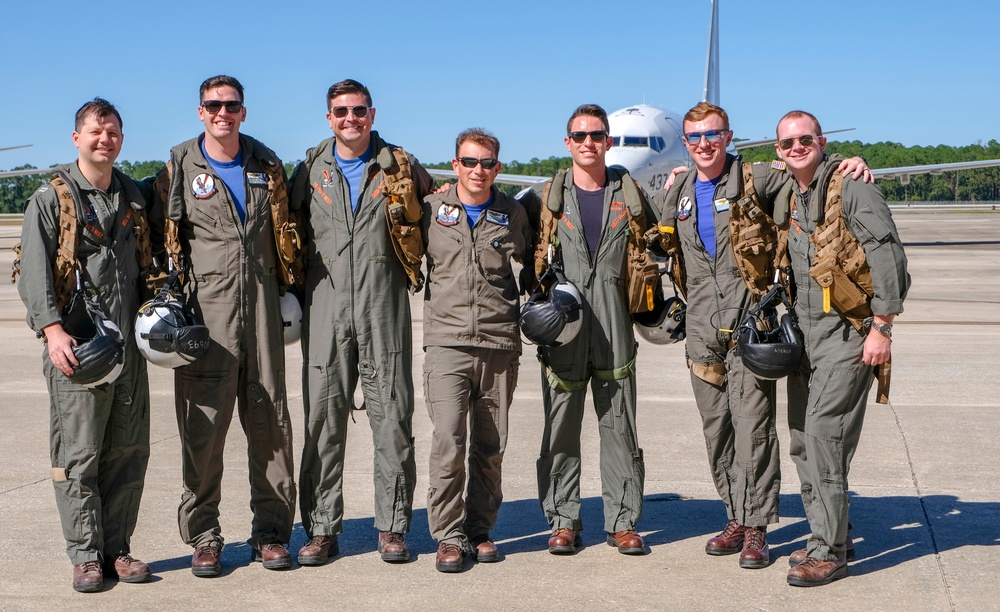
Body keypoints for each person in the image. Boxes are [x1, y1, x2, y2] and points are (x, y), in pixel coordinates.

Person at [654, 102, 871, 569]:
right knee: (718, 433)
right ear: (685, 143)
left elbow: (811, 179)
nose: (704, 144)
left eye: (713, 135)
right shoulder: (680, 191)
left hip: (751, 327)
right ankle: (734, 515)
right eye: (695, 138)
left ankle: (756, 528)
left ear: (729, 137)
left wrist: (851, 165)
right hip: (701, 331)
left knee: (754, 430)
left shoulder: (759, 178)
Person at [288, 79, 436, 565]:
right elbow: (280, 229)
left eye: (358, 111)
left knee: (392, 419)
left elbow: (444, 212)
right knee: (322, 424)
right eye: (340, 112)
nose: (350, 119)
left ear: (371, 113)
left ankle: (393, 528)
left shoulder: (401, 166)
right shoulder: (310, 169)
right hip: (325, 309)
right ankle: (322, 529)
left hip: (384, 307)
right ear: (328, 117)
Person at [17, 98, 152, 592]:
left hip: (129, 351)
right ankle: (86, 555)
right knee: (79, 454)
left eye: (113, 132)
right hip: (78, 347)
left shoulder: (132, 196)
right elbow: (34, 275)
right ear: (77, 138)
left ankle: (117, 549)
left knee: (128, 451)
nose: (106, 140)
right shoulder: (52, 199)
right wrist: (52, 332)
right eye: (96, 132)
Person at [164, 75, 296, 576]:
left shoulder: (266, 164)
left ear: (244, 111)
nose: (223, 113)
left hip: (261, 310)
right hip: (208, 318)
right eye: (214, 105)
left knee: (271, 426)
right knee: (203, 431)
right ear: (201, 111)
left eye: (232, 105)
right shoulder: (179, 165)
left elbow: (290, 230)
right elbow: (160, 235)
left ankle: (270, 534)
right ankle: (204, 536)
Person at [773, 110, 909, 587]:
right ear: (777, 151)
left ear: (822, 141)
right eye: (787, 143)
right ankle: (829, 532)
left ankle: (828, 551)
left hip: (849, 333)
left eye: (804, 140)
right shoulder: (788, 189)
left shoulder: (852, 185)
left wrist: (882, 328)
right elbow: (727, 175)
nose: (796, 148)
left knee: (822, 438)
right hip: (806, 338)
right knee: (802, 440)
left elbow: (888, 255)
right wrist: (684, 171)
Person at [522, 104, 654, 556]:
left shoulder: (631, 195)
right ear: (568, 142)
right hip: (564, 330)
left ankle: (622, 521)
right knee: (561, 427)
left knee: (619, 426)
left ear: (607, 141)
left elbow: (664, 238)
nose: (588, 143)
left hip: (615, 327)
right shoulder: (545, 200)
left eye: (596, 135)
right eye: (579, 136)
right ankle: (563, 520)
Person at [420, 128, 532, 572]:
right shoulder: (430, 211)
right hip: (446, 343)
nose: (478, 170)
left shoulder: (513, 213)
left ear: (497, 168)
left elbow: (533, 262)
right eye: (469, 162)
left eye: (487, 163)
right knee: (448, 441)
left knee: (490, 446)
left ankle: (479, 530)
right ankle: (448, 536)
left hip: (498, 343)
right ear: (455, 165)